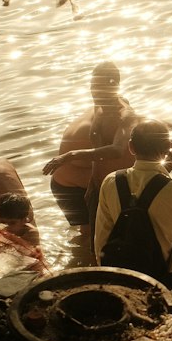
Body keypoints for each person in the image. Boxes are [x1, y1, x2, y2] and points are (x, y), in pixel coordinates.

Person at [93, 120, 172, 295]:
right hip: (167, 276)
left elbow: (101, 238)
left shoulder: (111, 181)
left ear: (131, 147)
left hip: (123, 275)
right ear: (167, 148)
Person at [43, 62, 138, 229]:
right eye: (93, 86)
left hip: (86, 178)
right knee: (91, 236)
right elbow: (115, 150)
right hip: (70, 188)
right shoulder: (102, 105)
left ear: (114, 86)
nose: (95, 92)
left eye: (100, 87)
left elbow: (120, 146)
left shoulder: (123, 112)